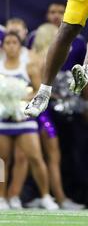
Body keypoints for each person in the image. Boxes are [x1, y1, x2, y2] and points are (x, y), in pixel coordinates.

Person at [8, 24, 85, 210]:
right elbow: (41, 89)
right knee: (44, 157)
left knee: (27, 157)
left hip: (32, 112)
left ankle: (39, 196)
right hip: (39, 114)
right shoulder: (43, 58)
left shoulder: (30, 57)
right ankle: (49, 197)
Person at [0, 32, 58, 210]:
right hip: (3, 119)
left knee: (35, 157)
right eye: (7, 43)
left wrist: (22, 96)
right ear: (3, 46)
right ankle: (2, 198)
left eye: (14, 42)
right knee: (2, 160)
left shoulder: (30, 66)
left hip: (24, 119)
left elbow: (39, 91)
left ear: (20, 46)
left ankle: (46, 196)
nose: (11, 46)